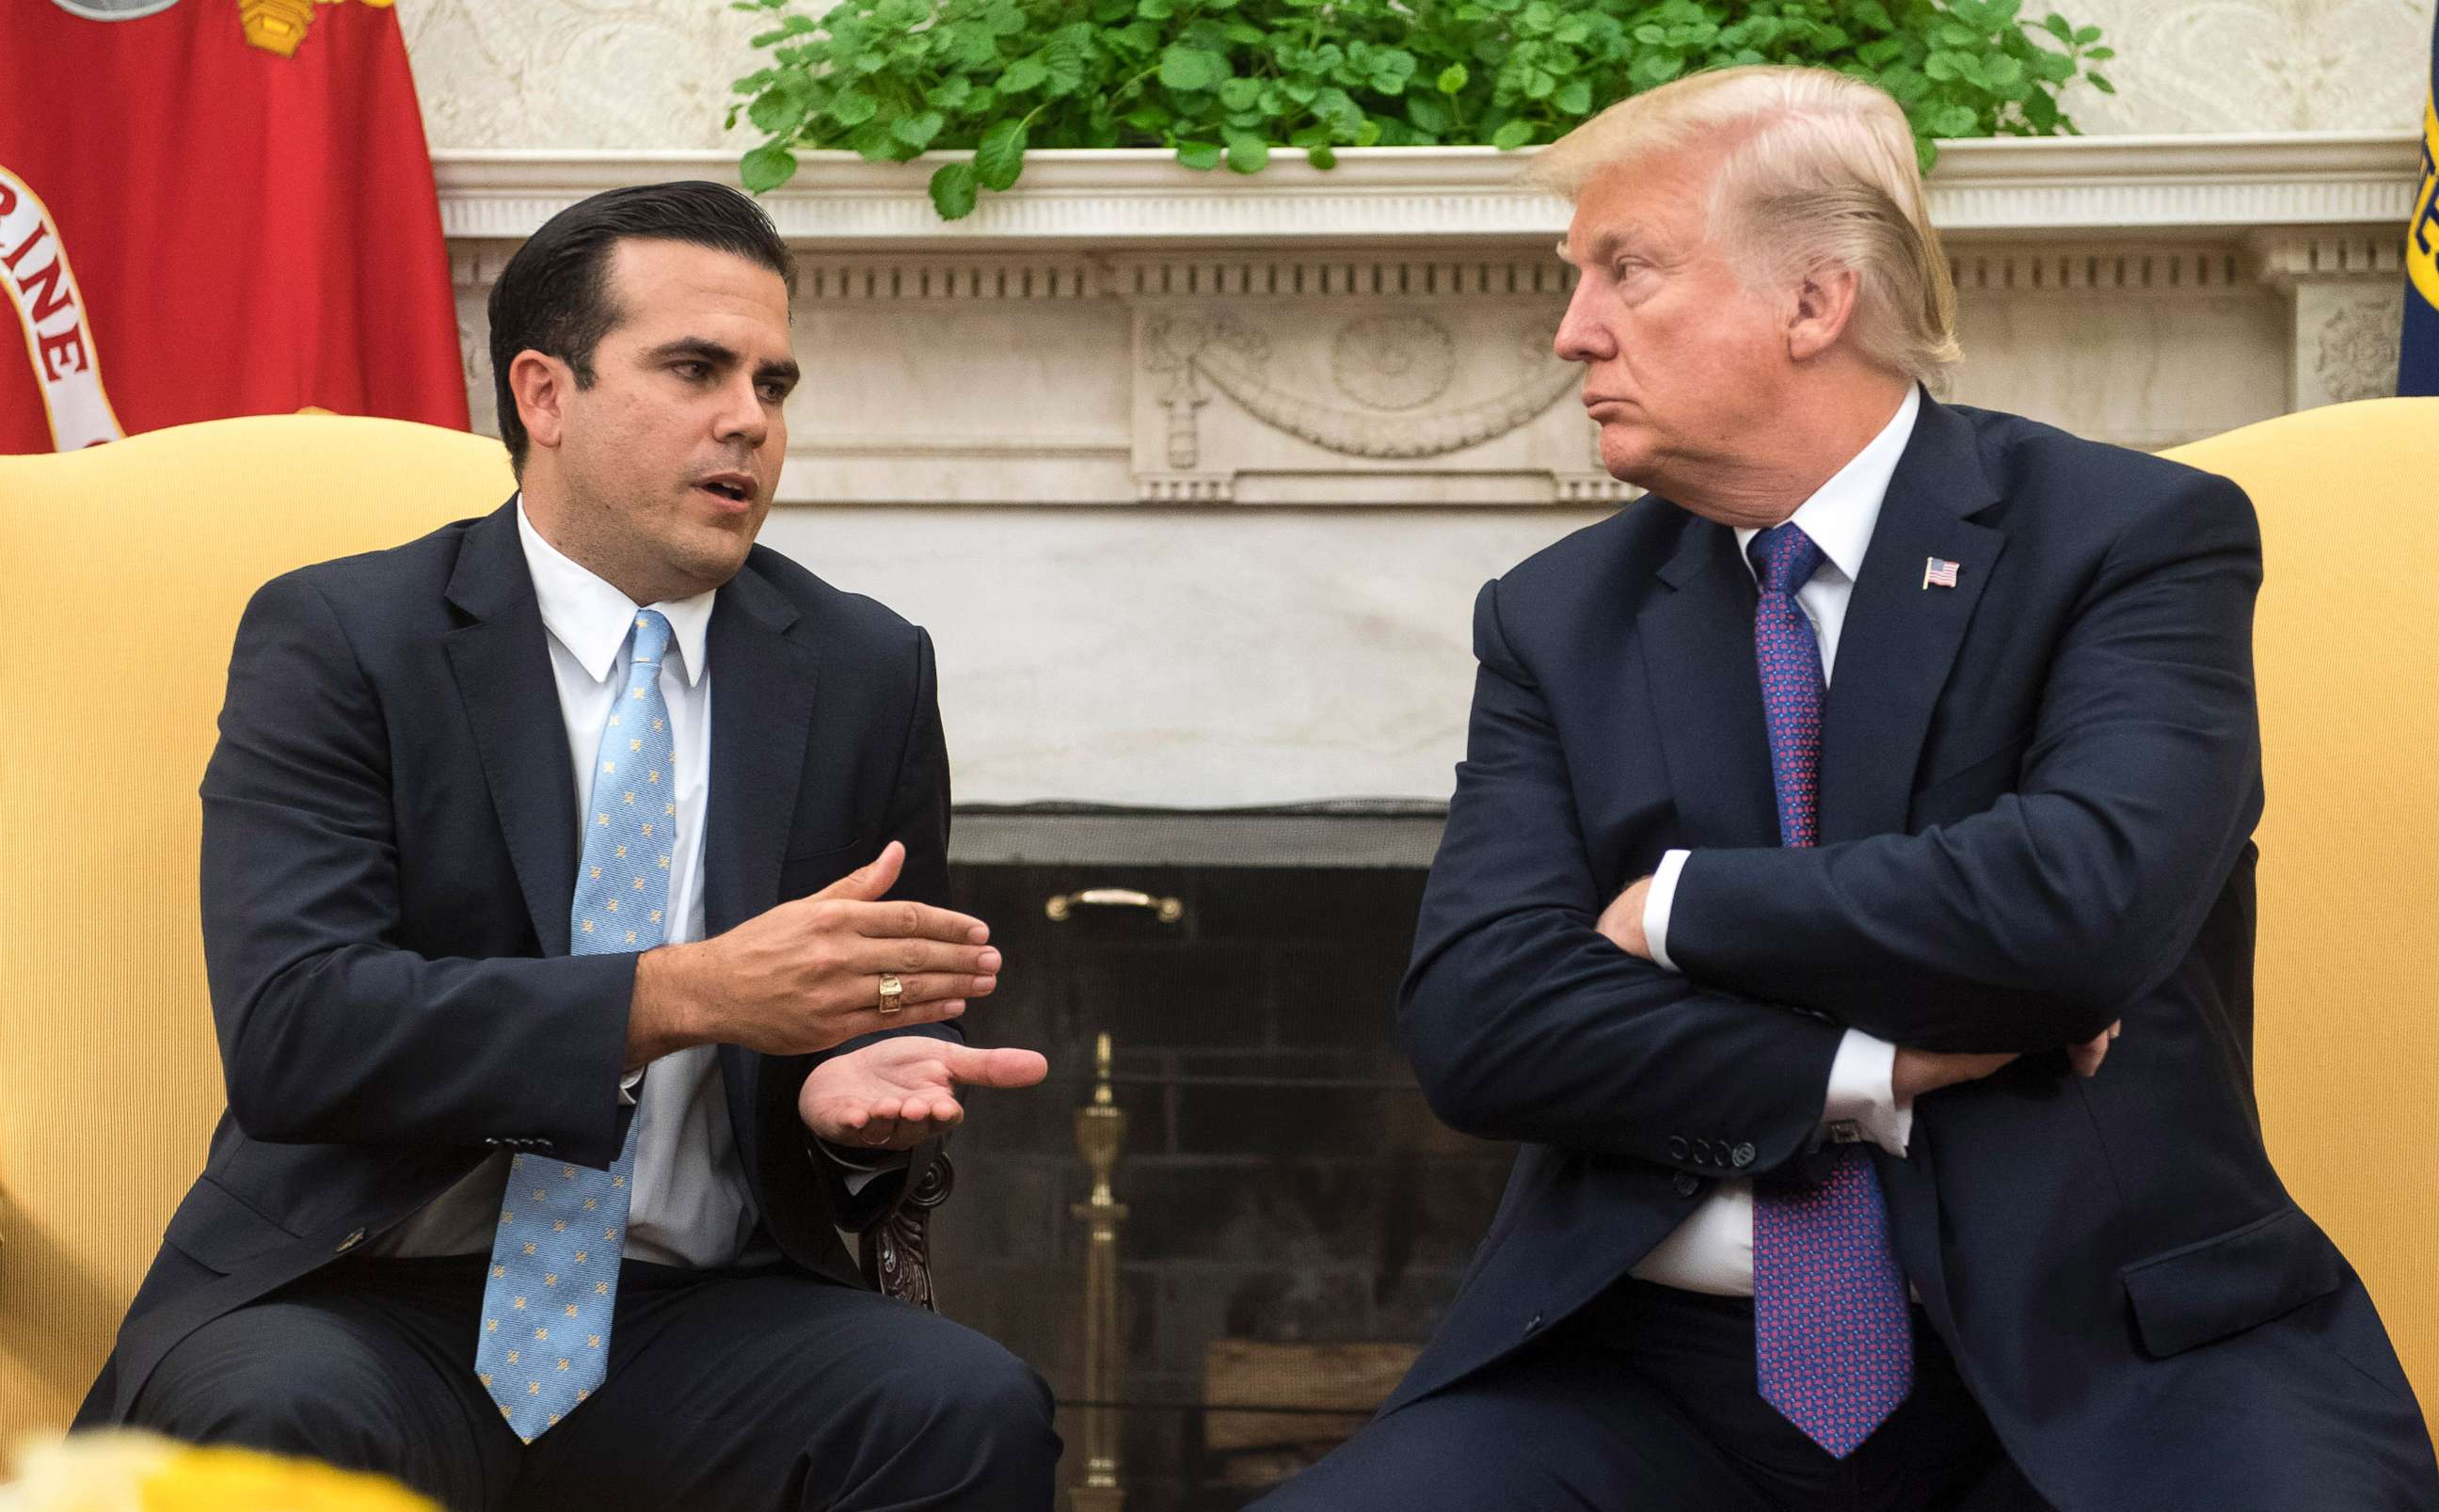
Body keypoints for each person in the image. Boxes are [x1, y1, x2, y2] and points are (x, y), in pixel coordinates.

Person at [1256, 66, 2439, 1512]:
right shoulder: (1558, 618)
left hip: (2109, 1352)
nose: (1571, 333)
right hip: (1647, 1370)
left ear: (1814, 303)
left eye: (1626, 270)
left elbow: (2079, 908)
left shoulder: (2128, 540)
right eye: (1576, 280)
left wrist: (1673, 910)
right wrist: (1868, 1070)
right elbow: (1481, 1022)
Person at [76, 181, 1061, 1512]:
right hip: (364, 1295)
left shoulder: (862, 668)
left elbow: (860, 1024)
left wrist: (850, 1122)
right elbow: (298, 1030)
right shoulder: (349, 640)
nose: (749, 422)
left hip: (698, 1312)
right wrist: (682, 997)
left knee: (962, 1408)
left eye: (774, 384)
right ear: (544, 394)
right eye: (697, 369)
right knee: (272, 1414)